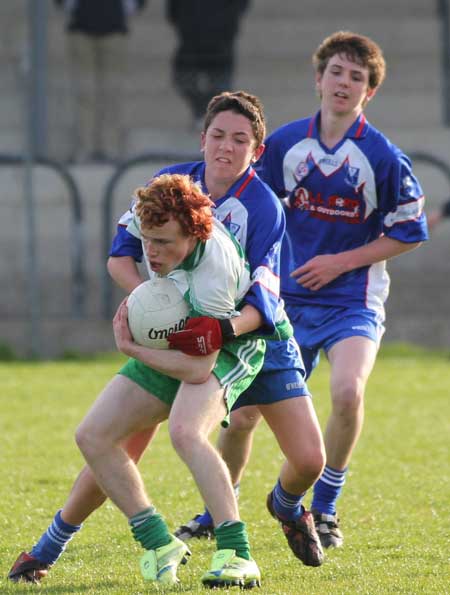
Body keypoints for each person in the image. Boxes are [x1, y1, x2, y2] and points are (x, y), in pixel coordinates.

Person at [8, 91, 325, 586]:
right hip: (188, 333)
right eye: (217, 135)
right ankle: (72, 547)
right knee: (104, 438)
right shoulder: (167, 189)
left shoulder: (257, 215)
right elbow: (120, 258)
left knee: (306, 459)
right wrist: (153, 308)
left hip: (248, 334)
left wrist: (167, 335)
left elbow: (246, 314)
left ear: (257, 151)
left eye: (239, 139)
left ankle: (275, 515)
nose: (226, 146)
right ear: (202, 139)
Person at [176, 31, 429, 550]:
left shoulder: (381, 156)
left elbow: (409, 230)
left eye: (357, 77)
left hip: (351, 301)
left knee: (348, 391)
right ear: (319, 79)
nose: (345, 83)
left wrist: (341, 261)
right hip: (281, 302)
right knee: (242, 414)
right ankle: (216, 509)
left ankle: (326, 507)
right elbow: (246, 199)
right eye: (336, 72)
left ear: (369, 92)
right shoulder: (286, 143)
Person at [54, 0, 147, 162]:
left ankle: (110, 147)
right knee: (85, 93)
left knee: (112, 93)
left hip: (114, 26)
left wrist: (122, 9)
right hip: (82, 26)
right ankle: (85, 147)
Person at [166, 0, 250, 129]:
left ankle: (208, 114)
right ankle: (202, 111)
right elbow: (173, 11)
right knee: (184, 80)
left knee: (220, 84)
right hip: (191, 37)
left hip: (221, 39)